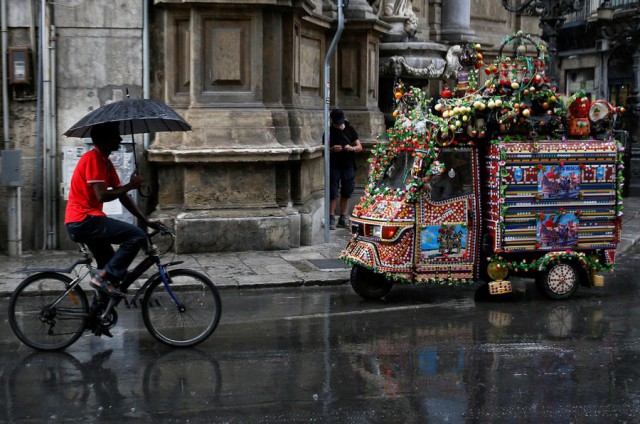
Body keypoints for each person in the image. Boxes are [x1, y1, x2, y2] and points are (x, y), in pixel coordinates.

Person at [65, 121, 160, 298]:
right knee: (137, 235)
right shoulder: (92, 159)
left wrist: (145, 219)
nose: (120, 138)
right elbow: (102, 195)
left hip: (87, 221)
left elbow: (122, 195)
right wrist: (130, 185)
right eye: (115, 135)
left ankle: (96, 317)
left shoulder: (105, 163)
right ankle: (102, 278)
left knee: (111, 270)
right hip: (83, 219)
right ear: (103, 139)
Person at [327, 108, 363, 229]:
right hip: (334, 166)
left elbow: (359, 147)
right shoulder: (329, 132)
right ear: (332, 121)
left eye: (340, 122)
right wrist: (332, 149)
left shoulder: (350, 129)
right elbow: (323, 149)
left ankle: (343, 217)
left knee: (346, 191)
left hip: (348, 166)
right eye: (337, 122)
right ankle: (331, 218)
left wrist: (351, 148)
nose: (339, 125)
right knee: (332, 192)